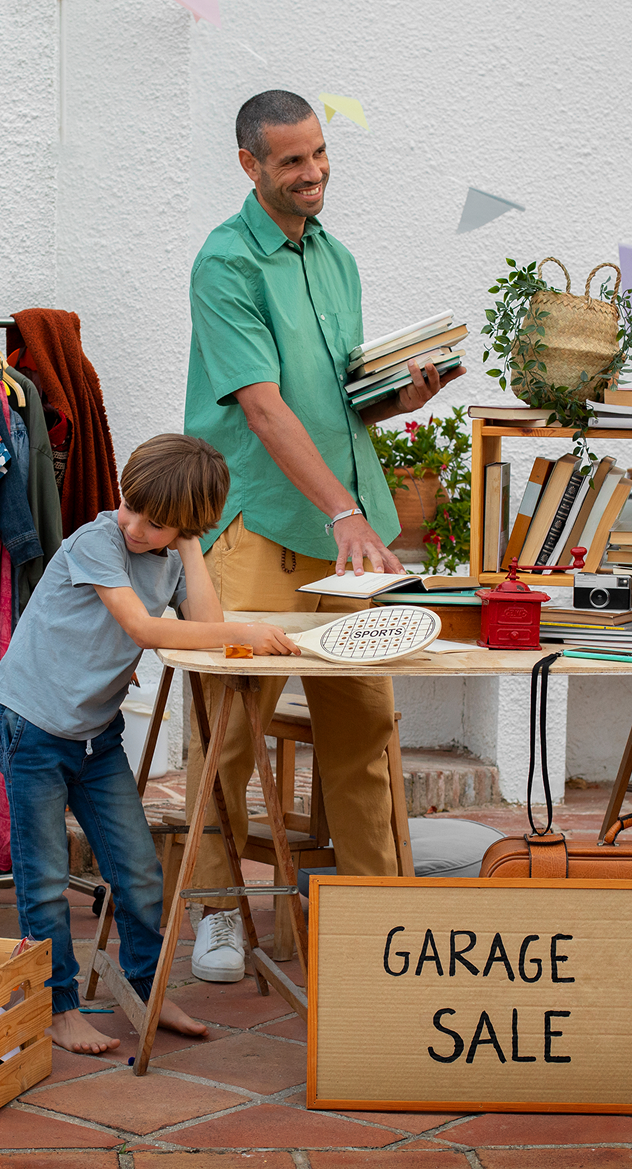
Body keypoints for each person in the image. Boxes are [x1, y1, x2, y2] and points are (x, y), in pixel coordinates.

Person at [181, 89, 460, 981]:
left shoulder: (336, 260)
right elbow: (264, 408)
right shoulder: (225, 263)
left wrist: (400, 397)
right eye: (292, 160)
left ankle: (381, 914)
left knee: (364, 728)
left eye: (320, 153)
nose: (314, 173)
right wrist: (345, 511)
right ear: (250, 165)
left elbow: (336, 399)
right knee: (227, 735)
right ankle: (217, 912)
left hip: (347, 535)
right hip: (261, 527)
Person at [0, 434, 297, 1054]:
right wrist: (244, 632)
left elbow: (203, 624)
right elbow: (144, 629)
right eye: (131, 507)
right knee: (44, 880)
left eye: (155, 524)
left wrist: (190, 546)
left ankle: (146, 988)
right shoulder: (97, 540)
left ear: (184, 527)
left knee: (141, 874)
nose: (133, 525)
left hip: (95, 736)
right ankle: (58, 1007)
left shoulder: (172, 554)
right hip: (32, 727)